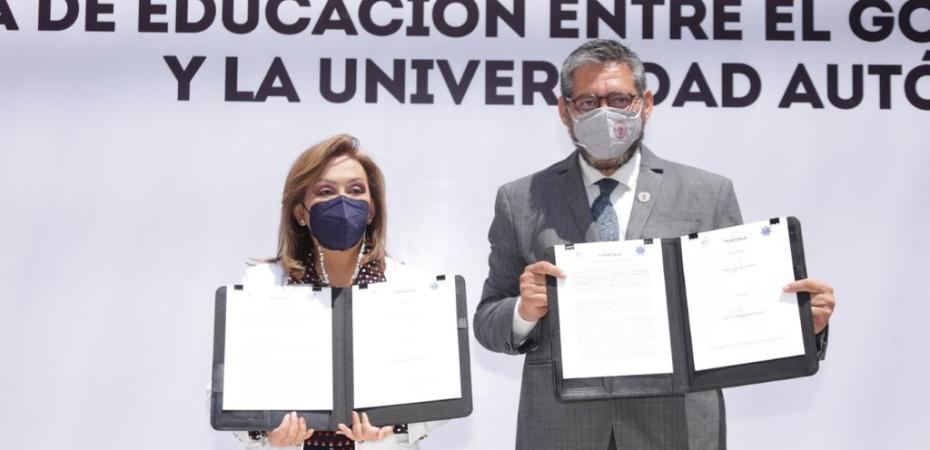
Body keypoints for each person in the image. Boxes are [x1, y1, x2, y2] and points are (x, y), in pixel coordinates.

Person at [472, 39, 836, 450]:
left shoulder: (707, 194)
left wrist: (797, 325)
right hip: (562, 430)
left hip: (676, 427)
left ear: (645, 104)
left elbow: (735, 308)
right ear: (565, 110)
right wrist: (523, 311)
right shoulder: (522, 199)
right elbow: (486, 319)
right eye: (588, 102)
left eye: (619, 99)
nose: (605, 113)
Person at [229, 134, 445, 449]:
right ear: (300, 212)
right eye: (325, 191)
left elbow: (442, 390)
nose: (343, 202)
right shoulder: (260, 285)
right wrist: (264, 432)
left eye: (356, 190)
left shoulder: (411, 285)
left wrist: (395, 425)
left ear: (371, 209)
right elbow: (222, 390)